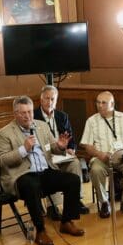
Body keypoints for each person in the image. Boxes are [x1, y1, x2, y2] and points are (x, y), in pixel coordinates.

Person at [0, 96, 85, 245]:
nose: (27, 116)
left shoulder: (41, 126)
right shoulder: (4, 133)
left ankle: (67, 221)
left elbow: (53, 148)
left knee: (73, 179)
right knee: (31, 185)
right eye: (23, 113)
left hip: (45, 171)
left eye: (29, 112)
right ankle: (41, 230)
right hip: (22, 175)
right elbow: (2, 161)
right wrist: (24, 149)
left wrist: (61, 146)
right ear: (15, 114)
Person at [79, 91, 123, 218]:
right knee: (95, 169)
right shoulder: (91, 121)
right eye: (98, 102)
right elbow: (87, 146)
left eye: (103, 103)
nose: (100, 105)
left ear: (112, 104)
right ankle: (104, 202)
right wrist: (100, 154)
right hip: (102, 158)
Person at [34, 85, 87, 216]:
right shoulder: (34, 116)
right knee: (52, 167)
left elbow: (71, 138)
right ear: (41, 99)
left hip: (62, 153)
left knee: (75, 163)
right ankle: (54, 206)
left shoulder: (62, 116)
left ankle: (76, 200)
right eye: (47, 98)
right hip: (45, 155)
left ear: (56, 101)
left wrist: (71, 149)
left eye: (53, 99)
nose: (50, 102)